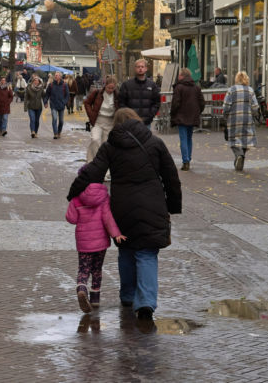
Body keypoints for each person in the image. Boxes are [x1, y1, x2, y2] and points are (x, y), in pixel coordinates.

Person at [68, 107, 182, 320]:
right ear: (138, 121)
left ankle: (128, 296)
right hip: (153, 206)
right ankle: (146, 302)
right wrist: (173, 206)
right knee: (147, 253)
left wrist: (73, 192)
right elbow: (171, 178)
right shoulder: (156, 143)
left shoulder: (110, 146)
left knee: (127, 250)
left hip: (122, 208)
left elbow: (93, 172)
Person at [66, 165, 126, 313]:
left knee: (84, 268)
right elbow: (108, 218)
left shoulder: (76, 198)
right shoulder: (104, 197)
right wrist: (116, 234)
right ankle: (95, 298)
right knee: (97, 269)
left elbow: (71, 219)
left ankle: (81, 288)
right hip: (100, 243)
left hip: (84, 241)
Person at [170, 68, 205, 171]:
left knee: (183, 139)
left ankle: (185, 161)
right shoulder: (196, 88)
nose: (177, 77)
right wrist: (198, 112)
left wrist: (173, 115)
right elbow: (202, 103)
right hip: (193, 116)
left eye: (179, 75)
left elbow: (175, 103)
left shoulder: (179, 87)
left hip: (182, 116)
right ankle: (188, 159)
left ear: (182, 76)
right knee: (189, 138)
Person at [223, 71, 259, 171]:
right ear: (247, 79)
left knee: (234, 140)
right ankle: (241, 157)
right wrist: (251, 113)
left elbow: (226, 107)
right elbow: (255, 107)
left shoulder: (232, 90)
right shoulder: (250, 90)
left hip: (234, 120)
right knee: (244, 140)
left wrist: (226, 117)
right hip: (247, 120)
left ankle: (239, 155)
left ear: (236, 79)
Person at [117, 59, 161, 130]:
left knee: (146, 141)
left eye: (142, 67)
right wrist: (128, 115)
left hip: (146, 122)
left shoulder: (152, 85)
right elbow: (121, 102)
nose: (140, 68)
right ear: (135, 69)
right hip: (130, 122)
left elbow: (156, 102)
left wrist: (151, 115)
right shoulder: (127, 85)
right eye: (138, 67)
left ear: (146, 69)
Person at [84, 76, 118, 164]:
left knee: (106, 145)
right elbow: (87, 102)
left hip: (110, 122)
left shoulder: (117, 95)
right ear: (105, 86)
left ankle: (104, 167)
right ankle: (92, 162)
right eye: (109, 88)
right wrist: (91, 114)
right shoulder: (97, 93)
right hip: (98, 121)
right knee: (95, 140)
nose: (110, 90)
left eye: (112, 88)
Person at [43, 71, 69, 140]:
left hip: (61, 105)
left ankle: (59, 131)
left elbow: (67, 95)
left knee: (61, 121)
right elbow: (47, 94)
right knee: (54, 118)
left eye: (56, 75)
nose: (55, 76)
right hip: (53, 104)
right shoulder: (51, 85)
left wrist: (64, 102)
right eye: (55, 75)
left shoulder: (64, 85)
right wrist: (45, 102)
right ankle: (55, 133)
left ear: (60, 77)